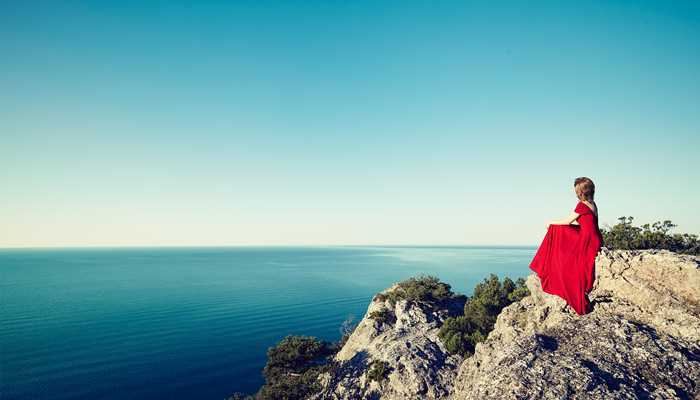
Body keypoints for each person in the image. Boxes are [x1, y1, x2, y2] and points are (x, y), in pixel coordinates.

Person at [529, 177, 603, 315]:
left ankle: (545, 264)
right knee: (559, 229)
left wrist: (551, 222)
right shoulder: (592, 204)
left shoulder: (581, 205)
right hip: (595, 238)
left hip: (588, 240)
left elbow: (568, 221)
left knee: (555, 229)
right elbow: (584, 223)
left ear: (580, 192)